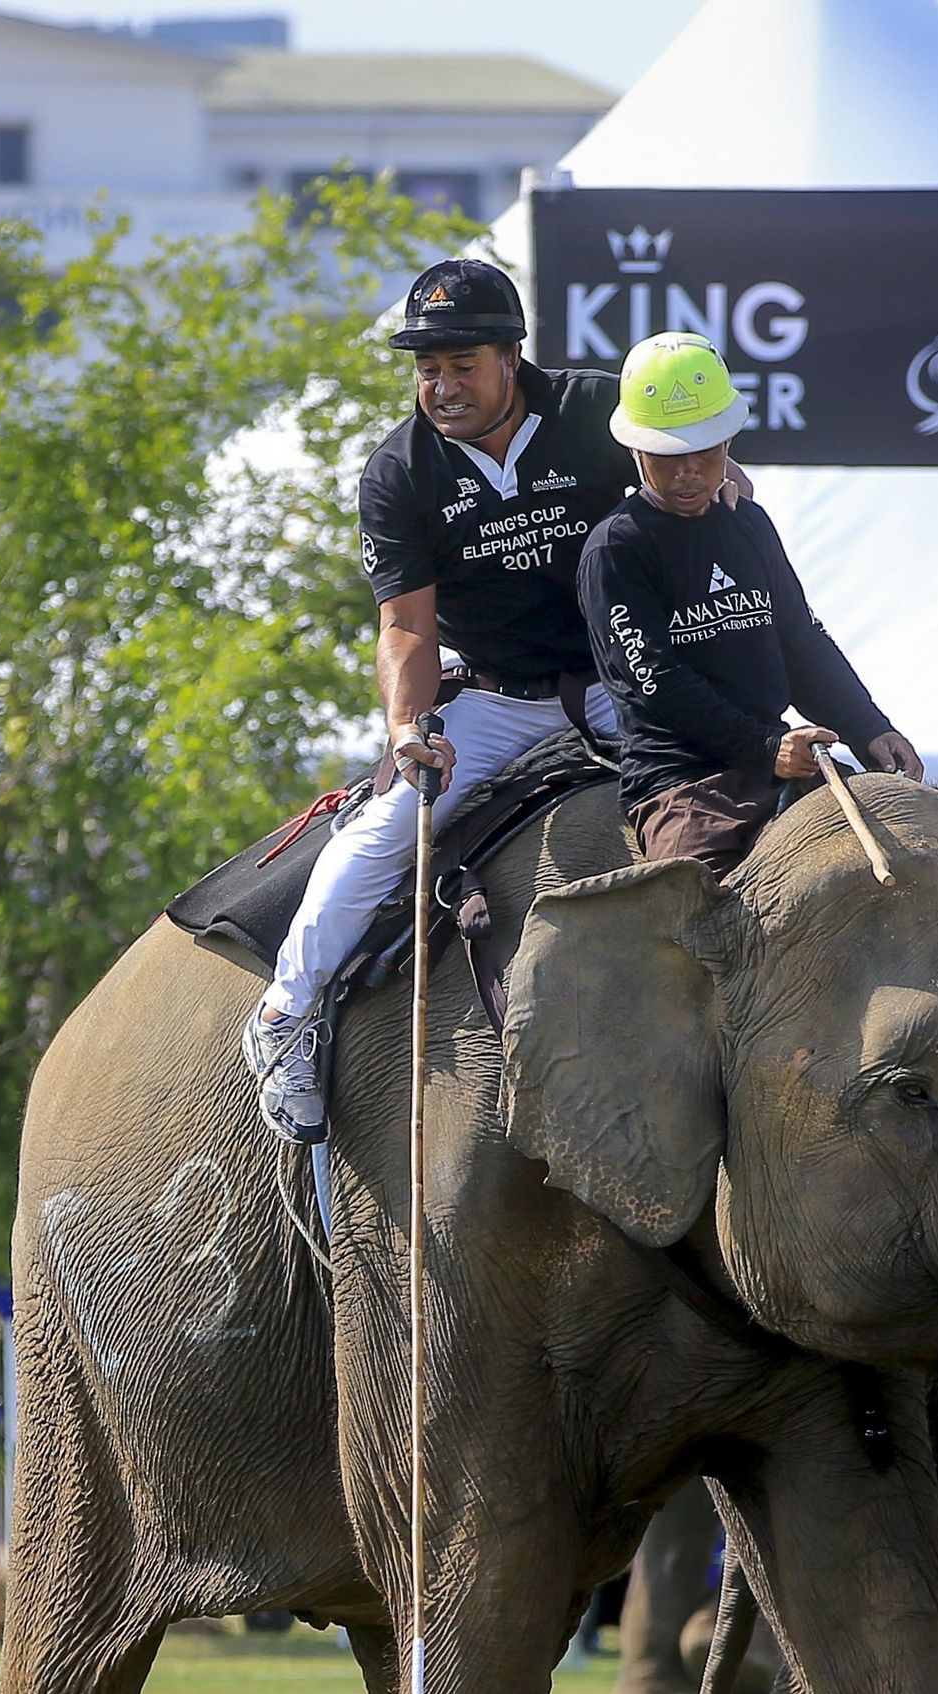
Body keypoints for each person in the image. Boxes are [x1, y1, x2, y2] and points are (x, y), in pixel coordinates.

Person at [243, 257, 632, 1144]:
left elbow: (692, 465)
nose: (442, 387)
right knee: (379, 837)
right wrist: (408, 729)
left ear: (513, 356)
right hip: (494, 702)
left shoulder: (596, 410)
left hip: (620, 682)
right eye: (427, 369)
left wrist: (729, 479)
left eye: (462, 365)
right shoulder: (398, 472)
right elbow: (408, 629)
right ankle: (283, 1018)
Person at [577, 332, 919, 879]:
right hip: (681, 782)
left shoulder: (750, 524)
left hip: (778, 759)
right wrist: (766, 747)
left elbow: (801, 642)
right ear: (637, 450)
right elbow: (658, 682)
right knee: (698, 928)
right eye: (669, 454)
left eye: (705, 449)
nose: (688, 469)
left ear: (729, 444)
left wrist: (868, 728)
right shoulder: (617, 547)